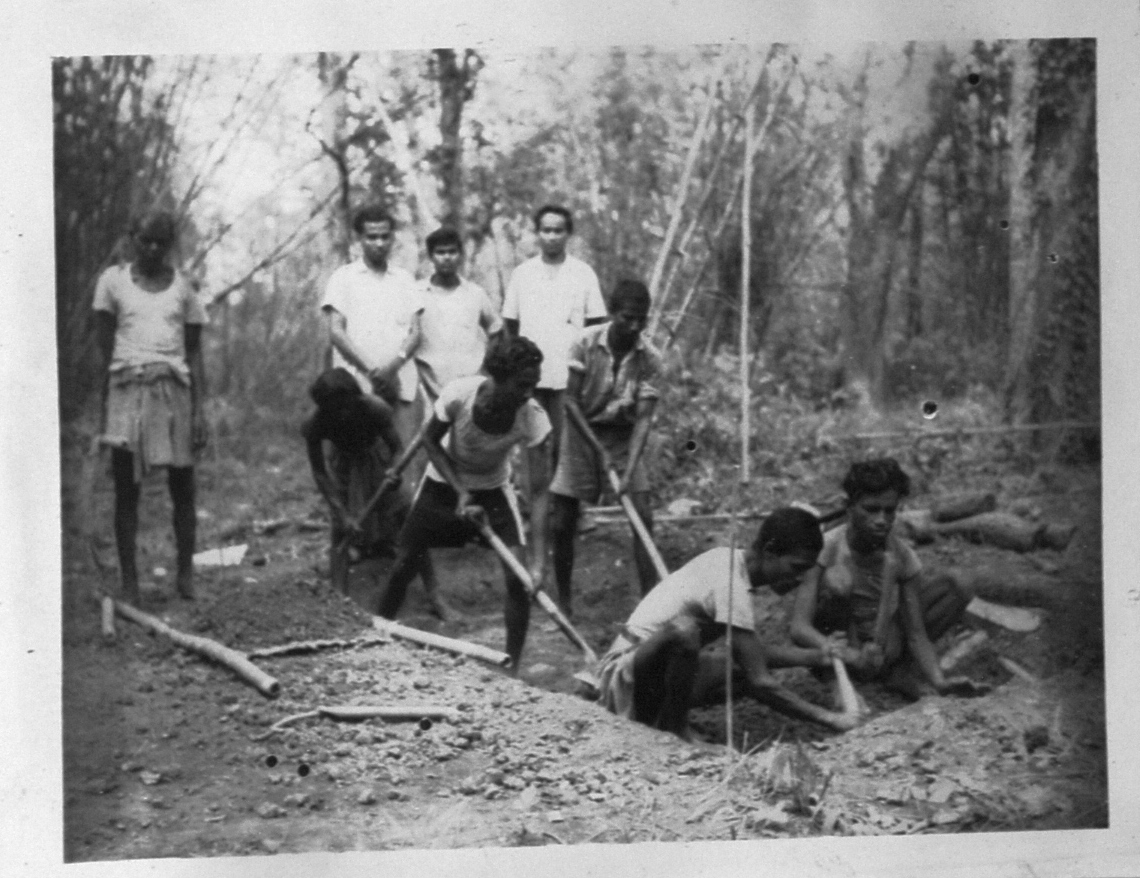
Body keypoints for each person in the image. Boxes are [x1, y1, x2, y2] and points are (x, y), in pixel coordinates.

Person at [597, 508, 859, 738]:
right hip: (625, 679)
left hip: (645, 673)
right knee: (684, 632)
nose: (800, 579)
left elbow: (753, 655)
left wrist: (817, 656)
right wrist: (831, 719)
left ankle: (666, 722)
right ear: (769, 552)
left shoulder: (731, 561)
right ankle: (675, 731)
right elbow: (762, 681)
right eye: (796, 567)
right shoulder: (730, 584)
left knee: (737, 669)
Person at [376, 336, 552, 668]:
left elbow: (541, 491)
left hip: (494, 490)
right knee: (402, 564)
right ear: (497, 378)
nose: (529, 393)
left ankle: (511, 665)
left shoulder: (533, 416)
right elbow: (429, 439)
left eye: (534, 385)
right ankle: (373, 638)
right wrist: (460, 492)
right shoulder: (461, 393)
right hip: (443, 483)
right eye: (522, 385)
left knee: (519, 580)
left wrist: (539, 563)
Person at [789, 457, 988, 704]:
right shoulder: (826, 548)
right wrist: (850, 655)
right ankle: (836, 682)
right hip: (838, 644)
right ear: (849, 507)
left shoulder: (902, 556)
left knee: (957, 584)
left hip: (881, 647)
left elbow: (916, 632)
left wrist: (940, 681)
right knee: (837, 580)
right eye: (871, 509)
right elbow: (799, 627)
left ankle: (898, 672)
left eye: (889, 510)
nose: (882, 520)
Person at [93, 211, 207, 603]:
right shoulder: (113, 282)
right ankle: (129, 582)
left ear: (170, 243)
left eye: (161, 242)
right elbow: (104, 349)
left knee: (183, 486)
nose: (153, 249)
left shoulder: (184, 287)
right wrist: (107, 402)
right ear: (133, 239)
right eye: (146, 241)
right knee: (127, 489)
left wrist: (199, 410)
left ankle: (186, 576)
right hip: (128, 388)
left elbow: (194, 353)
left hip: (173, 389)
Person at [549, 279, 661, 614]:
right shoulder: (584, 343)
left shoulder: (651, 359)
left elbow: (643, 419)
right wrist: (597, 451)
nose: (635, 326)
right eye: (627, 317)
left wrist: (627, 470)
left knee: (642, 516)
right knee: (563, 521)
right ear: (612, 313)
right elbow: (568, 402)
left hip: (623, 437)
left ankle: (651, 606)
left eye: (642, 319)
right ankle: (565, 602)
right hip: (581, 433)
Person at [300, 368, 447, 617]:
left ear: (356, 399)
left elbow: (397, 448)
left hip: (377, 457)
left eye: (346, 406)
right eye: (335, 410)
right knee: (340, 531)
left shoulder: (375, 408)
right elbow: (320, 473)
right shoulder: (314, 424)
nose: (343, 415)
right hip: (344, 464)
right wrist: (341, 512)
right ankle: (339, 603)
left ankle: (434, 593)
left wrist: (394, 470)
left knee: (407, 516)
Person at [501, 205, 607, 456]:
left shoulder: (582, 273)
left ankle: (563, 495)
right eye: (546, 230)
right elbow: (510, 324)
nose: (551, 237)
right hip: (530, 376)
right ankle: (534, 494)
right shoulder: (523, 274)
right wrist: (515, 368)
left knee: (565, 446)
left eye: (558, 231)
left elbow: (596, 325)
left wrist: (588, 370)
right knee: (533, 445)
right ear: (537, 233)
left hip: (569, 375)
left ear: (567, 234)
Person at [320, 205, 424, 445]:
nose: (379, 243)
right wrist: (373, 371)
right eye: (372, 237)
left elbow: (416, 333)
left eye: (385, 236)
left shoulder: (405, 280)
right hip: (357, 386)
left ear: (392, 238)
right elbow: (336, 331)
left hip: (400, 384)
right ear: (360, 239)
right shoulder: (343, 278)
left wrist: (394, 365)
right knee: (359, 455)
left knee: (400, 457)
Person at [415, 226, 503, 399]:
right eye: (440, 252)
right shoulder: (416, 292)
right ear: (431, 256)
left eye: (452, 252)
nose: (447, 258)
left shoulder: (475, 293)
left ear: (461, 255)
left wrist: (486, 366)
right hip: (428, 386)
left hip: (470, 385)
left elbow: (496, 328)